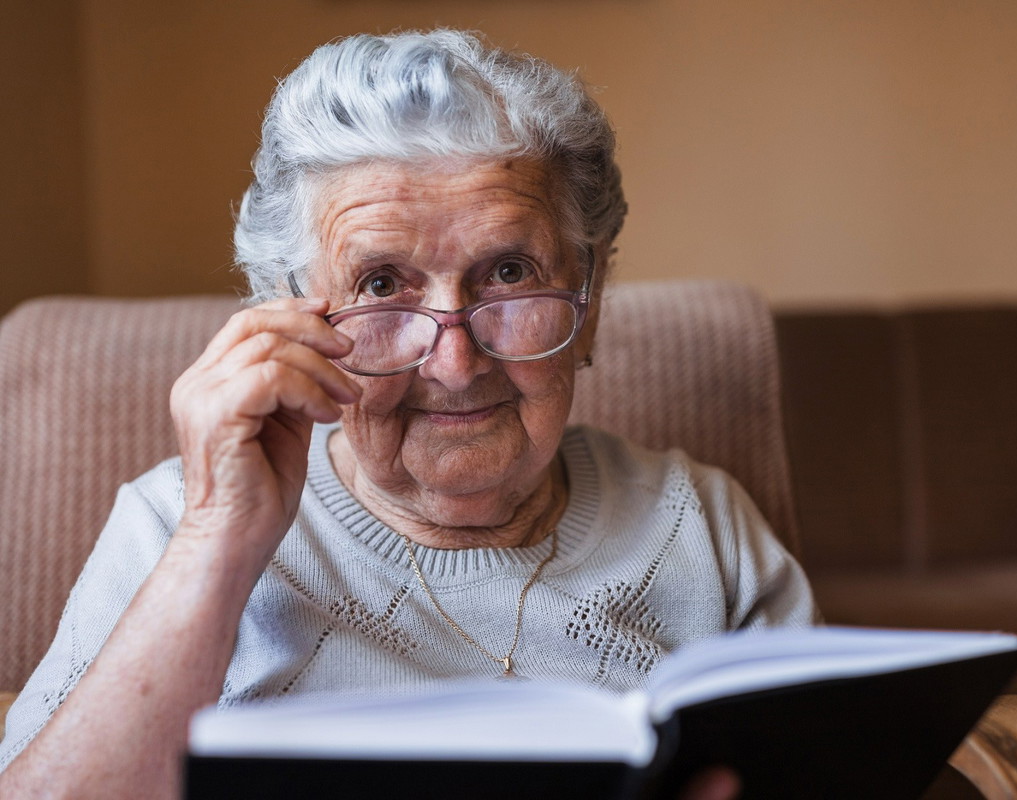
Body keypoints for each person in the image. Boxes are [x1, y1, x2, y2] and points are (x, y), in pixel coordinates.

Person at [0, 29, 815, 798]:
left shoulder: (700, 527)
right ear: (293, 320)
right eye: (382, 284)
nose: (456, 364)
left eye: (507, 272)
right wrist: (218, 544)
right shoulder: (176, 522)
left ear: (589, 302)